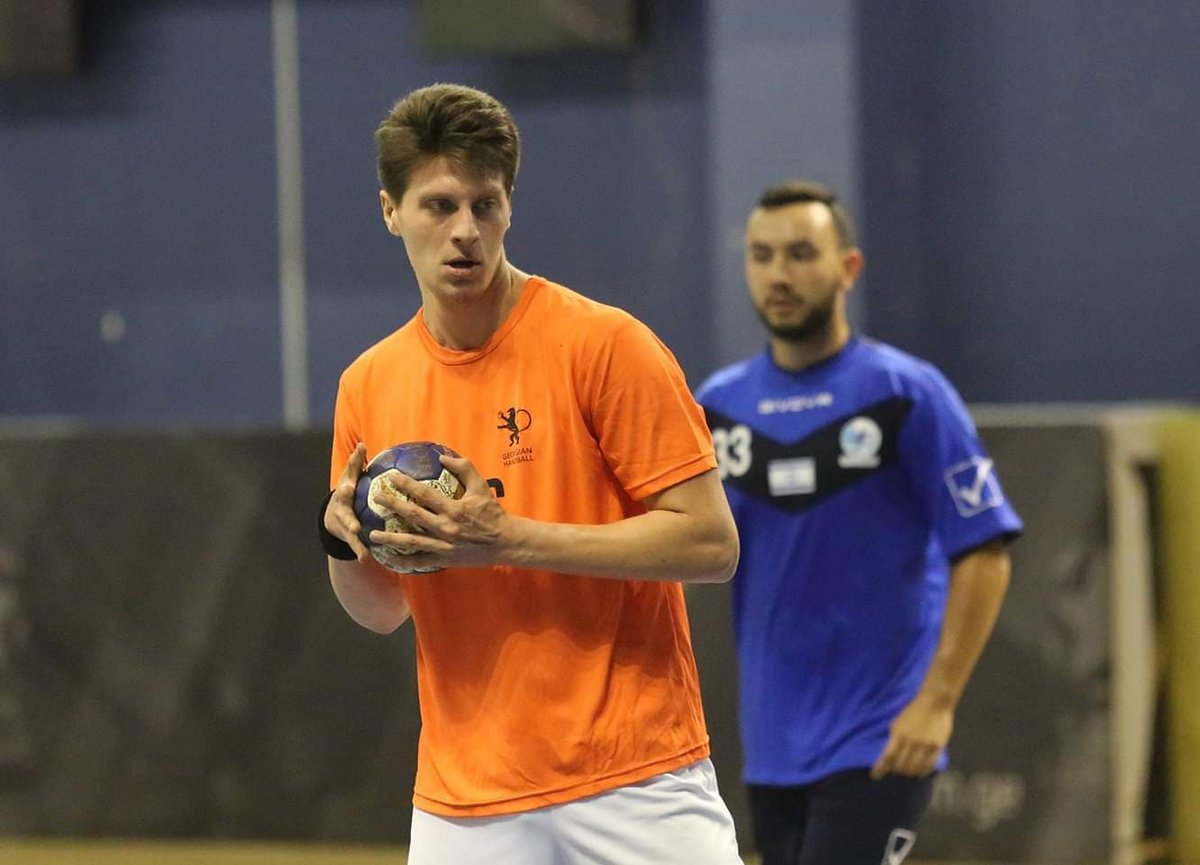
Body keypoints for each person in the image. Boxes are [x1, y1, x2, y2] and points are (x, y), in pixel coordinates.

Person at [317, 82, 745, 865]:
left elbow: (712, 545)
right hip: (465, 802)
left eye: (485, 204)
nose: (464, 232)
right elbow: (382, 611)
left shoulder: (606, 345)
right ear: (390, 211)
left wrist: (509, 539)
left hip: (636, 779)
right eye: (438, 206)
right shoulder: (368, 384)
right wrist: (342, 540)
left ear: (511, 206)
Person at [694, 180, 1023, 865]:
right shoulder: (718, 407)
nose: (779, 274)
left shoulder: (908, 394)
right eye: (762, 255)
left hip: (879, 740)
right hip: (770, 753)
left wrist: (936, 700)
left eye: (801, 254)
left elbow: (985, 550)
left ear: (848, 268)